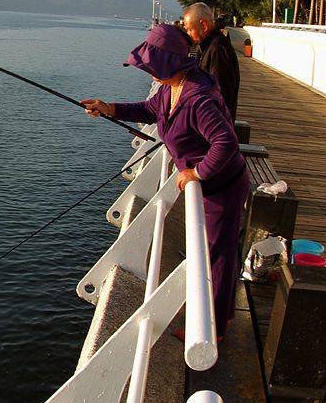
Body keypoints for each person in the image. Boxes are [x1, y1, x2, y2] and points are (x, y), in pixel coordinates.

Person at [81, 23, 249, 340]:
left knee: (218, 256)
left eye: (150, 64)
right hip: (210, 187)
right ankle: (219, 317)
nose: (147, 70)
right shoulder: (172, 88)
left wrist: (197, 173)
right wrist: (109, 109)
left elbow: (226, 142)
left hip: (222, 186)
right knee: (215, 252)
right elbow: (149, 109)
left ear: (166, 63)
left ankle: (213, 330)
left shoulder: (197, 97)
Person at [180, 2, 240, 120]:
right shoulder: (207, 46)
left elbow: (220, 94)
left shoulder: (218, 49)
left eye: (190, 30)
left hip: (214, 124)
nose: (188, 34)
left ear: (204, 25)